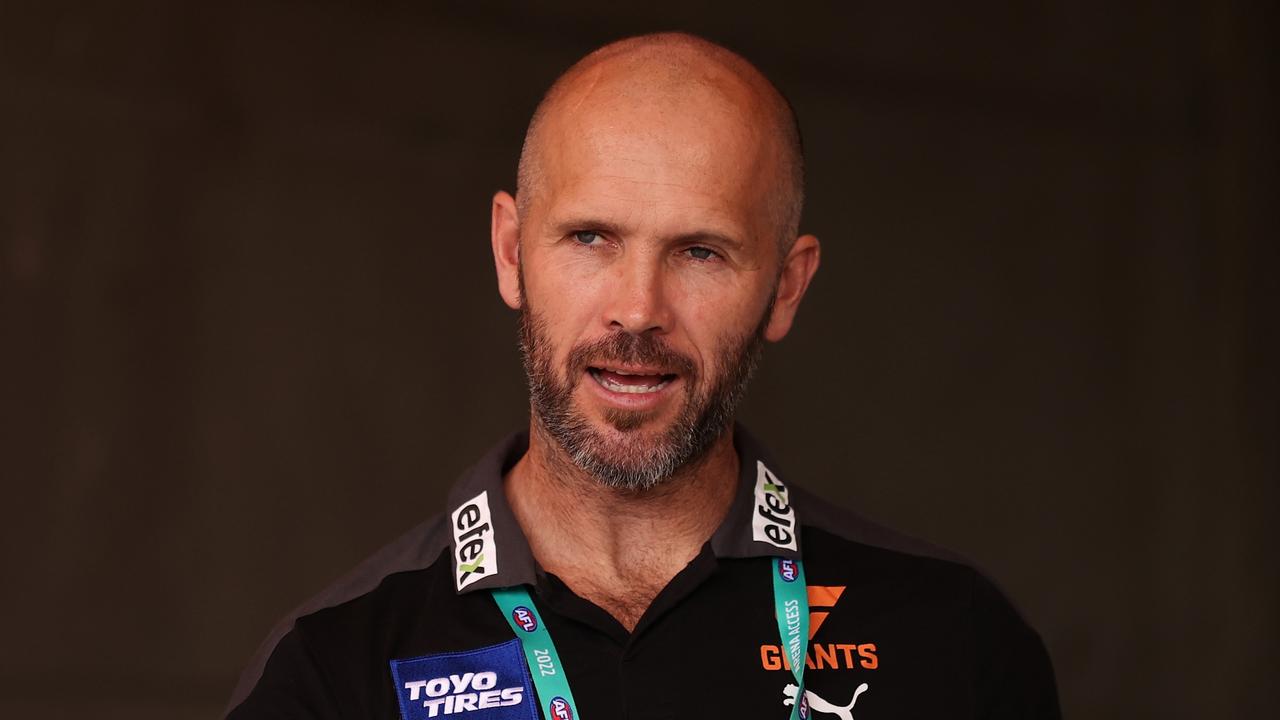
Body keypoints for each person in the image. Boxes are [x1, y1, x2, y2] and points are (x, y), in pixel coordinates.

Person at [226, 32, 1060, 720]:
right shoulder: (332, 671)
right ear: (512, 253)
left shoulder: (955, 640)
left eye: (700, 252)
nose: (637, 309)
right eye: (591, 238)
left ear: (787, 287)